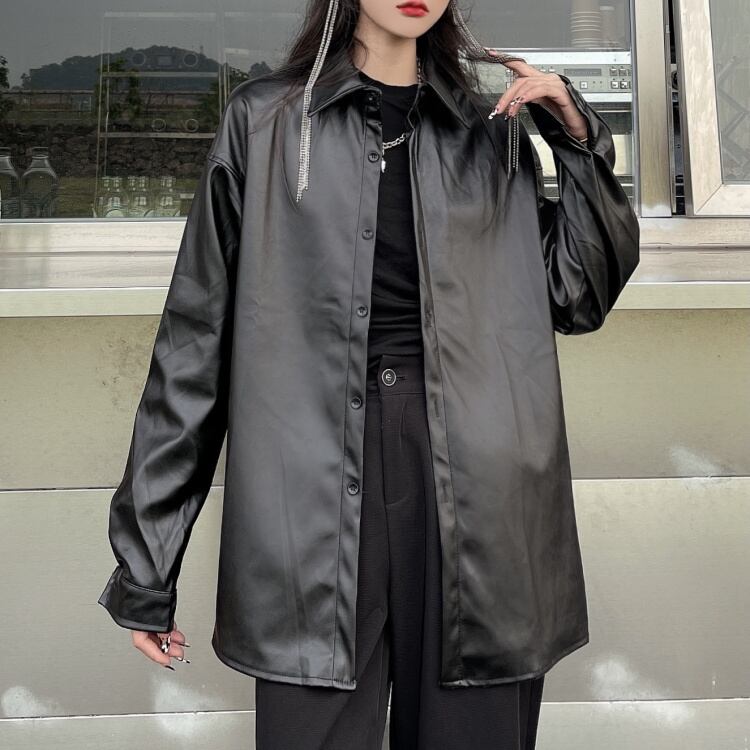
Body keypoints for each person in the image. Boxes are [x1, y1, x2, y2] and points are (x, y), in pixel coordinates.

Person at [97, 1, 640, 748]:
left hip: (478, 489)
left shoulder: (491, 128)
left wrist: (577, 137)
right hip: (310, 484)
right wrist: (146, 567)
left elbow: (579, 293)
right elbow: (194, 347)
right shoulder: (266, 122)